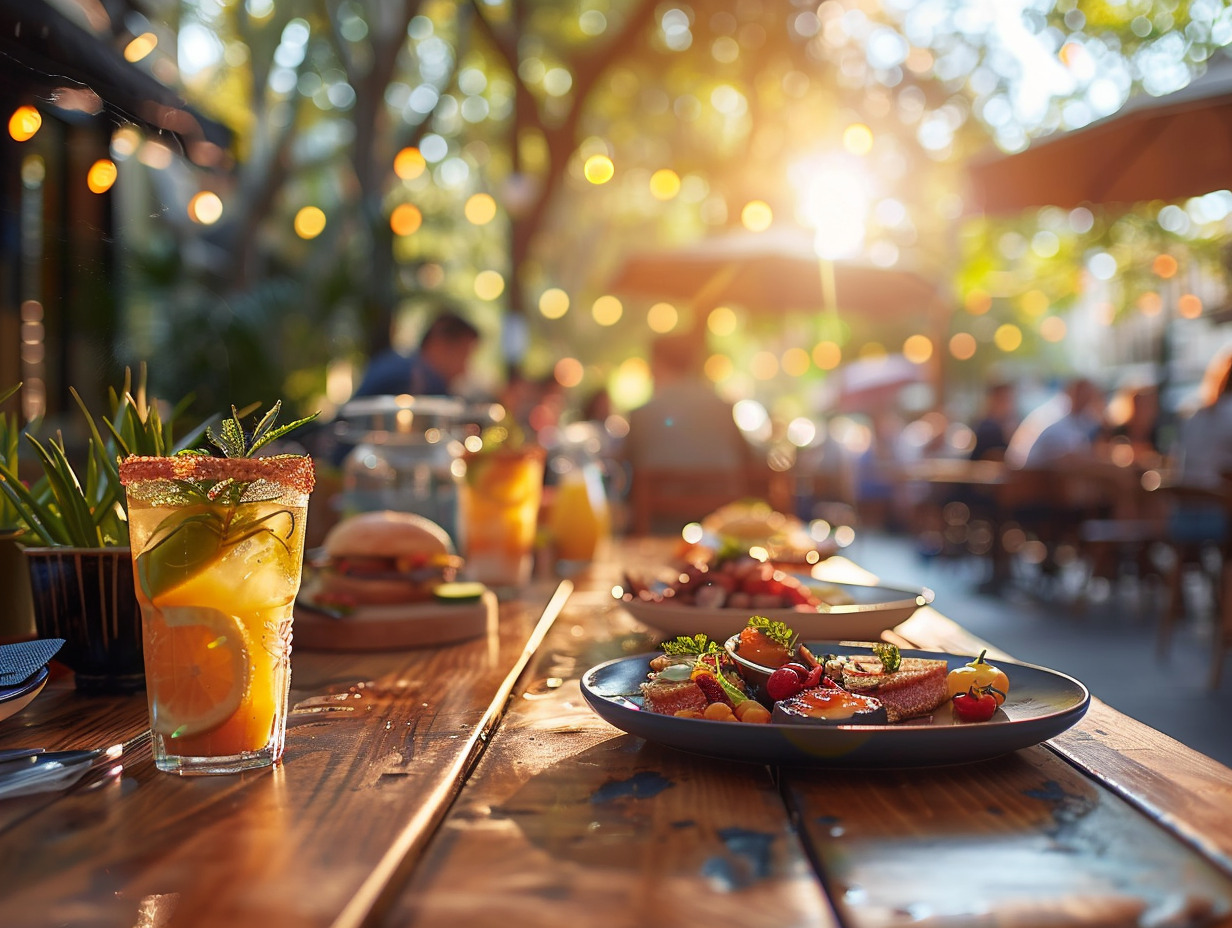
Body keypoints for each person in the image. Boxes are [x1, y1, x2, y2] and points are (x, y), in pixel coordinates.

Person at [354, 311, 480, 397]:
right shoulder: (415, 376)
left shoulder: (399, 363)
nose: (464, 370)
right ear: (439, 345)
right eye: (465, 355)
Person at [1004, 377, 1104, 470]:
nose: (1086, 400)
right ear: (1072, 393)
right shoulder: (1054, 415)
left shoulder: (1079, 419)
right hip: (1028, 475)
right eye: (1083, 395)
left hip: (1041, 473)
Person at [968, 380, 1016, 462]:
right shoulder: (988, 429)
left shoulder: (1005, 426)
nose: (1009, 405)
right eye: (1004, 400)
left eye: (1010, 400)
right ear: (993, 400)